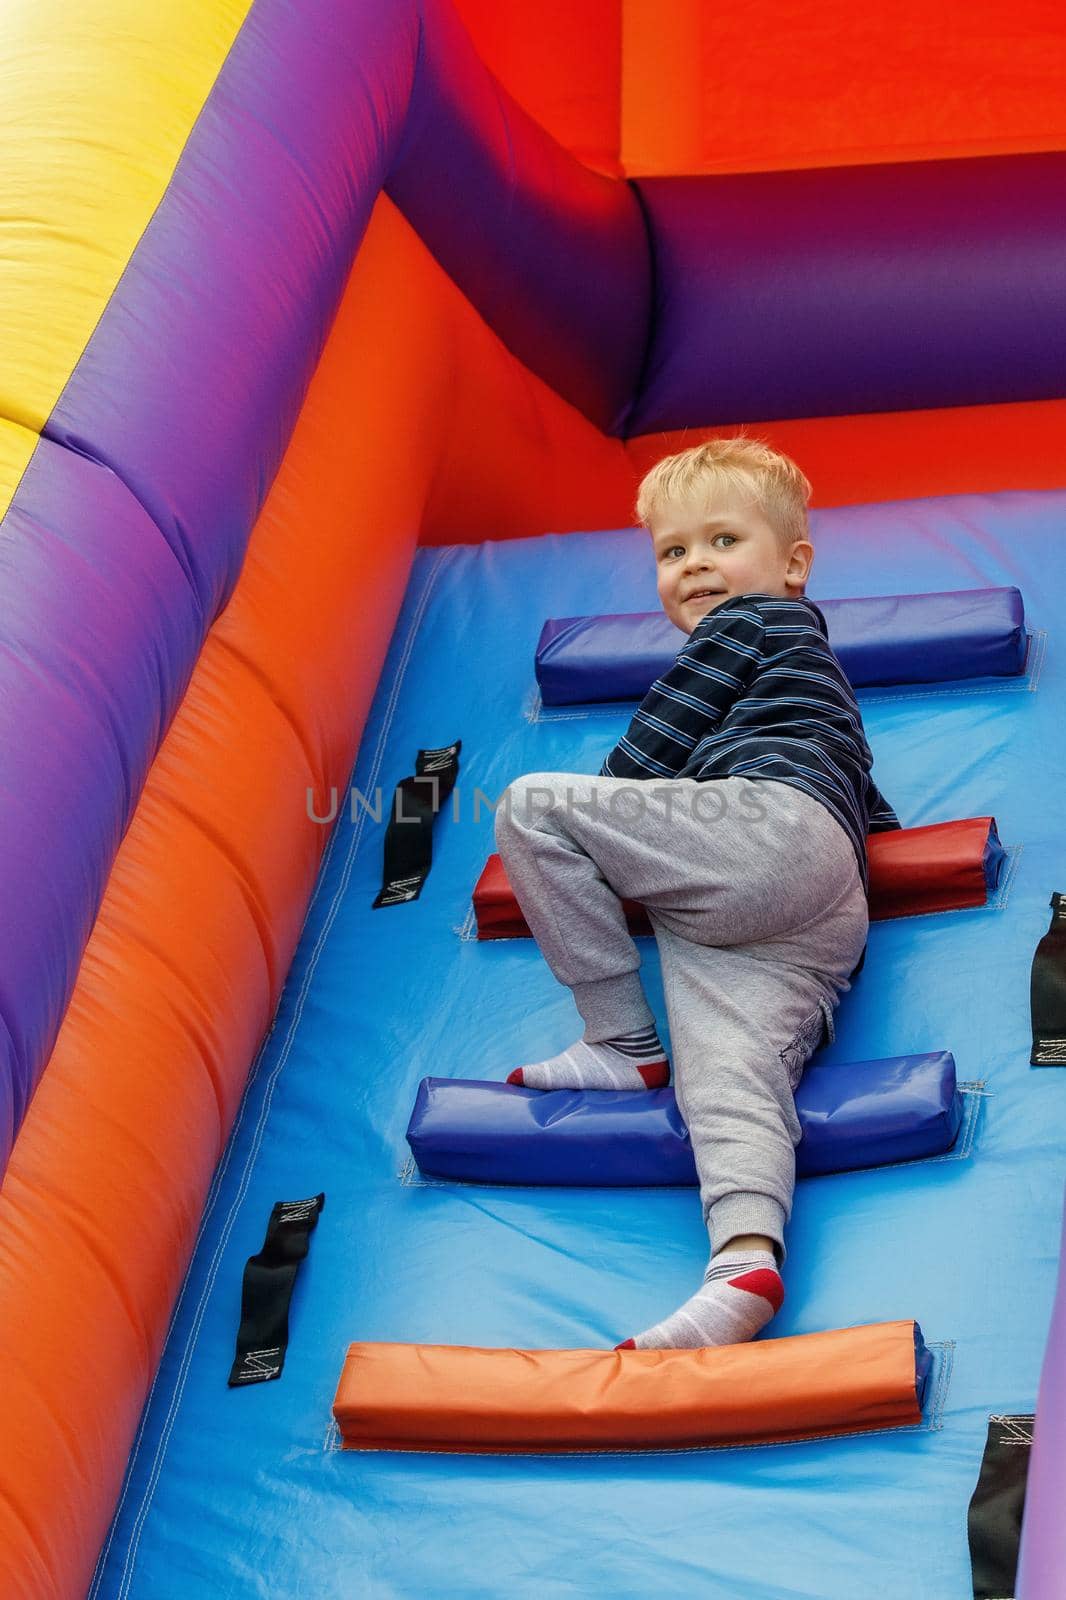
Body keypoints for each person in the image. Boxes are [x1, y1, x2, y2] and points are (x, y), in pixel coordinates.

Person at [493, 436, 901, 1350]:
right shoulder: (814, 667)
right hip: (817, 900)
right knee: (730, 1079)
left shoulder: (743, 625)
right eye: (674, 553)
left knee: (532, 806)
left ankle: (624, 1041)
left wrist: (600, 821)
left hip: (762, 835)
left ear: (792, 565)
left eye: (723, 540)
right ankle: (743, 1261)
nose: (697, 566)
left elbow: (647, 757)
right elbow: (864, 789)